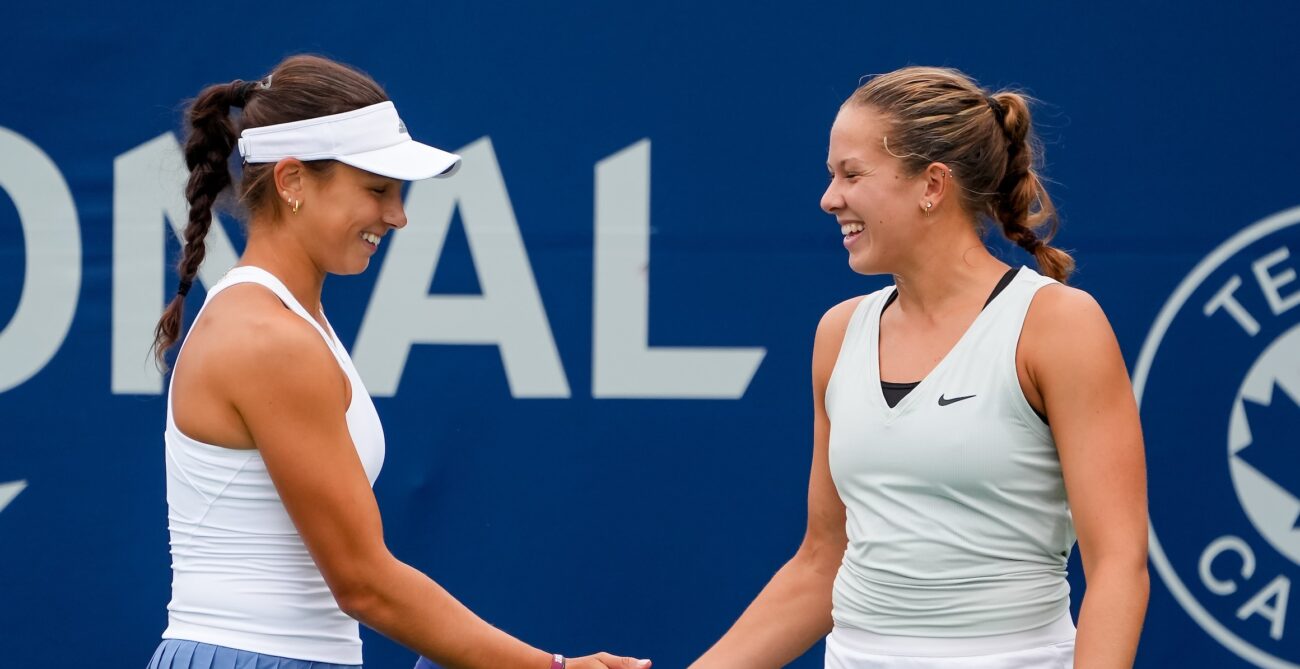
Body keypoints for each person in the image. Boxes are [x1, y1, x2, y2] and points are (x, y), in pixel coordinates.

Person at [146, 54, 651, 669]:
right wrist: (551, 668)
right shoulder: (268, 338)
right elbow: (363, 583)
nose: (398, 216)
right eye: (377, 190)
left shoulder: (290, 324)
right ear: (292, 182)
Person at [689, 66, 1149, 668]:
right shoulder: (838, 333)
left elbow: (1118, 564)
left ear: (932, 185)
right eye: (831, 175)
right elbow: (822, 562)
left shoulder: (1058, 325)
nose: (829, 198)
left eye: (851, 174)